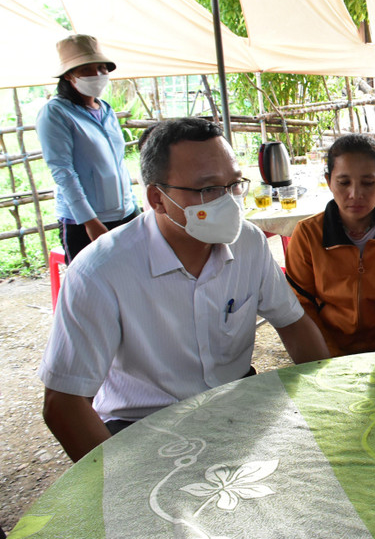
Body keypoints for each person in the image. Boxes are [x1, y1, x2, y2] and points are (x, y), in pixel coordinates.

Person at [38, 118, 330, 463]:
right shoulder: (100, 273)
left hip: (238, 402)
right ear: (157, 198)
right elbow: (64, 404)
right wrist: (117, 485)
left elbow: (293, 324)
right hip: (142, 426)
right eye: (207, 190)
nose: (228, 201)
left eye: (234, 185)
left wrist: (324, 400)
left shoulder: (248, 243)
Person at [285, 134, 375, 356]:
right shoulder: (307, 235)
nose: (355, 194)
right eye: (344, 182)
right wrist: (332, 358)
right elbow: (302, 305)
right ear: (329, 182)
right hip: (329, 353)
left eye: (368, 183)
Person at [36, 34, 139, 263]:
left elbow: (118, 163)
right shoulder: (56, 113)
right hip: (86, 222)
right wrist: (89, 221)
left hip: (124, 214)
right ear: (69, 74)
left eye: (102, 68)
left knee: (131, 280)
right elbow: (63, 172)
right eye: (87, 69)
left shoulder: (106, 110)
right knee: (93, 287)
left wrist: (133, 207)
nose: (98, 75)